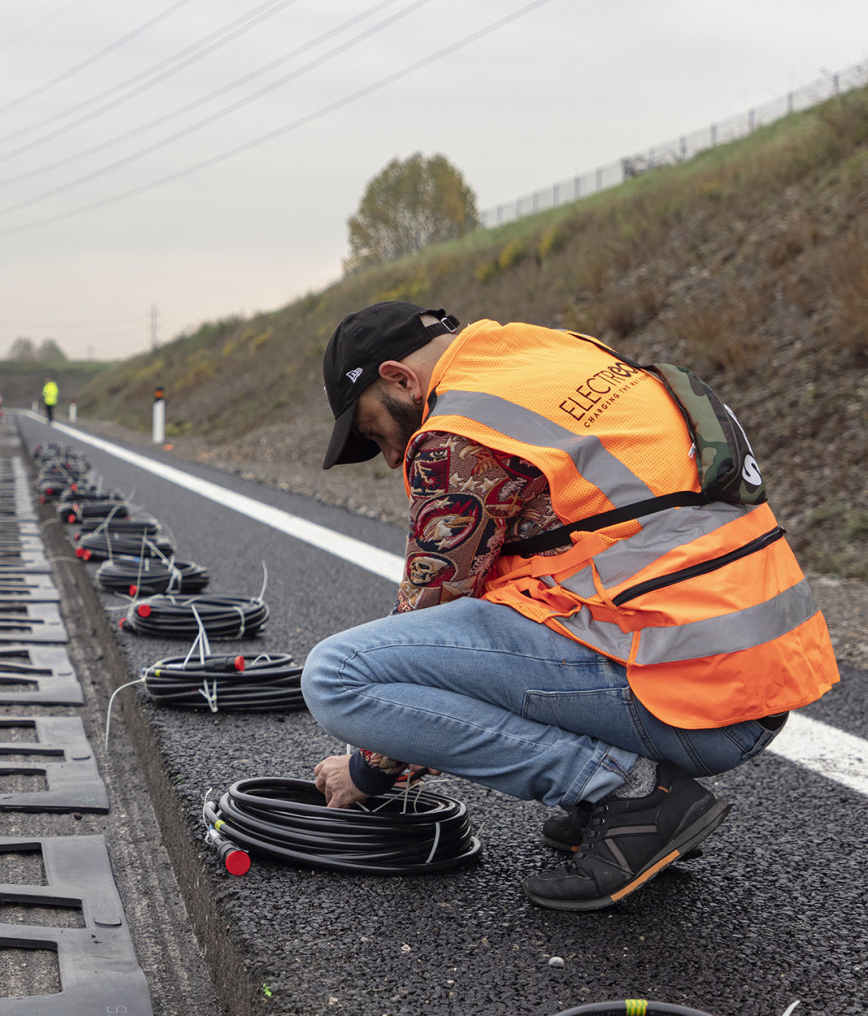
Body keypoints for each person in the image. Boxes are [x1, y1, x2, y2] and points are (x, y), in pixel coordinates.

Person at [302, 301, 835, 911]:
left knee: (339, 676)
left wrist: (368, 772)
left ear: (399, 377)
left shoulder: (458, 435)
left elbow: (428, 613)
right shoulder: (553, 356)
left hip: (693, 703)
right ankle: (605, 799)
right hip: (763, 678)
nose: (393, 456)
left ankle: (632, 795)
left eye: (375, 433)